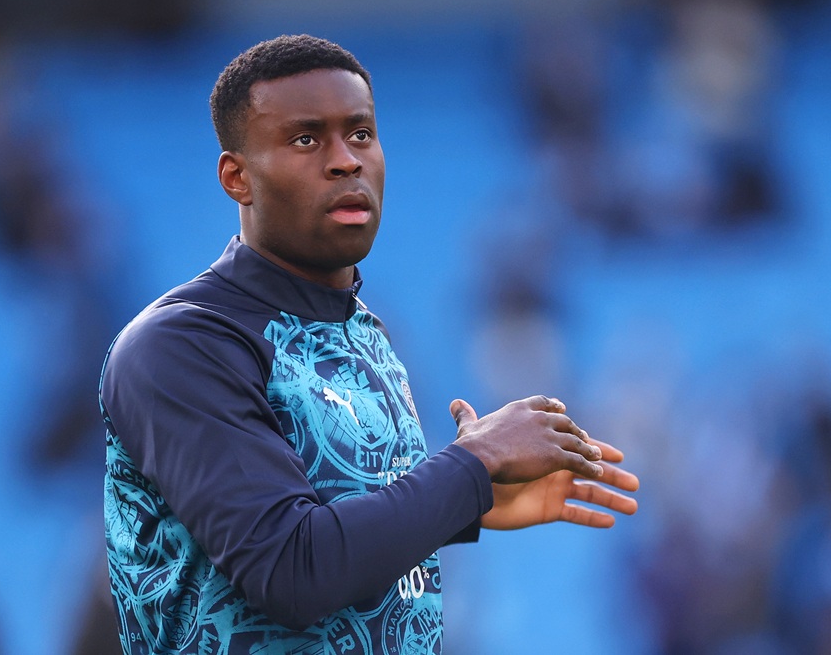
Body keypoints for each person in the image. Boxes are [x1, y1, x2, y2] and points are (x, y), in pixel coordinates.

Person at [99, 34, 640, 655]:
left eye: (360, 135)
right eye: (307, 139)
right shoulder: (183, 343)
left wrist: (466, 505)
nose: (345, 161)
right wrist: (471, 467)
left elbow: (339, 523)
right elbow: (291, 572)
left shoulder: (362, 331)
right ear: (236, 177)